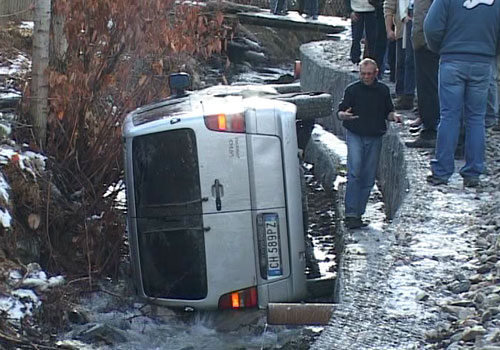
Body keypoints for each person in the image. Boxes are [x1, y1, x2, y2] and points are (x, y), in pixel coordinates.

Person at [424, 0, 500, 188]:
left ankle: (442, 171)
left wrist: (440, 47)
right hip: (483, 61)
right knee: (476, 118)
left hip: (452, 59)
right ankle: (473, 172)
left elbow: (431, 27)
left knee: (449, 116)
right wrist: (491, 51)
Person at [337, 58, 403, 229]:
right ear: (359, 73)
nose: (366, 77)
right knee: (354, 172)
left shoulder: (382, 90)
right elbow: (341, 110)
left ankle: (358, 213)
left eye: (369, 74)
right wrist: (343, 115)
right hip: (355, 134)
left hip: (374, 136)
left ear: (376, 73)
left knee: (368, 176)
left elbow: (388, 111)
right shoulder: (352, 90)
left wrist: (394, 117)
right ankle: (351, 213)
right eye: (363, 74)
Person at [404, 0, 440, 148]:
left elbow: (425, 17)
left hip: (427, 44)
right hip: (429, 42)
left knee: (427, 87)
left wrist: (421, 41)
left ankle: (430, 131)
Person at [384, 0, 415, 110]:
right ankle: (401, 94)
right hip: (402, 29)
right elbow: (389, 7)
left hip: (416, 29)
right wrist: (389, 29)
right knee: (401, 63)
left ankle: (408, 95)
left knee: (410, 63)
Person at [346, 0, 377, 64]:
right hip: (356, 9)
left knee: (371, 37)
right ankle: (355, 58)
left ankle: (370, 59)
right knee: (356, 36)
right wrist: (350, 11)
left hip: (372, 9)